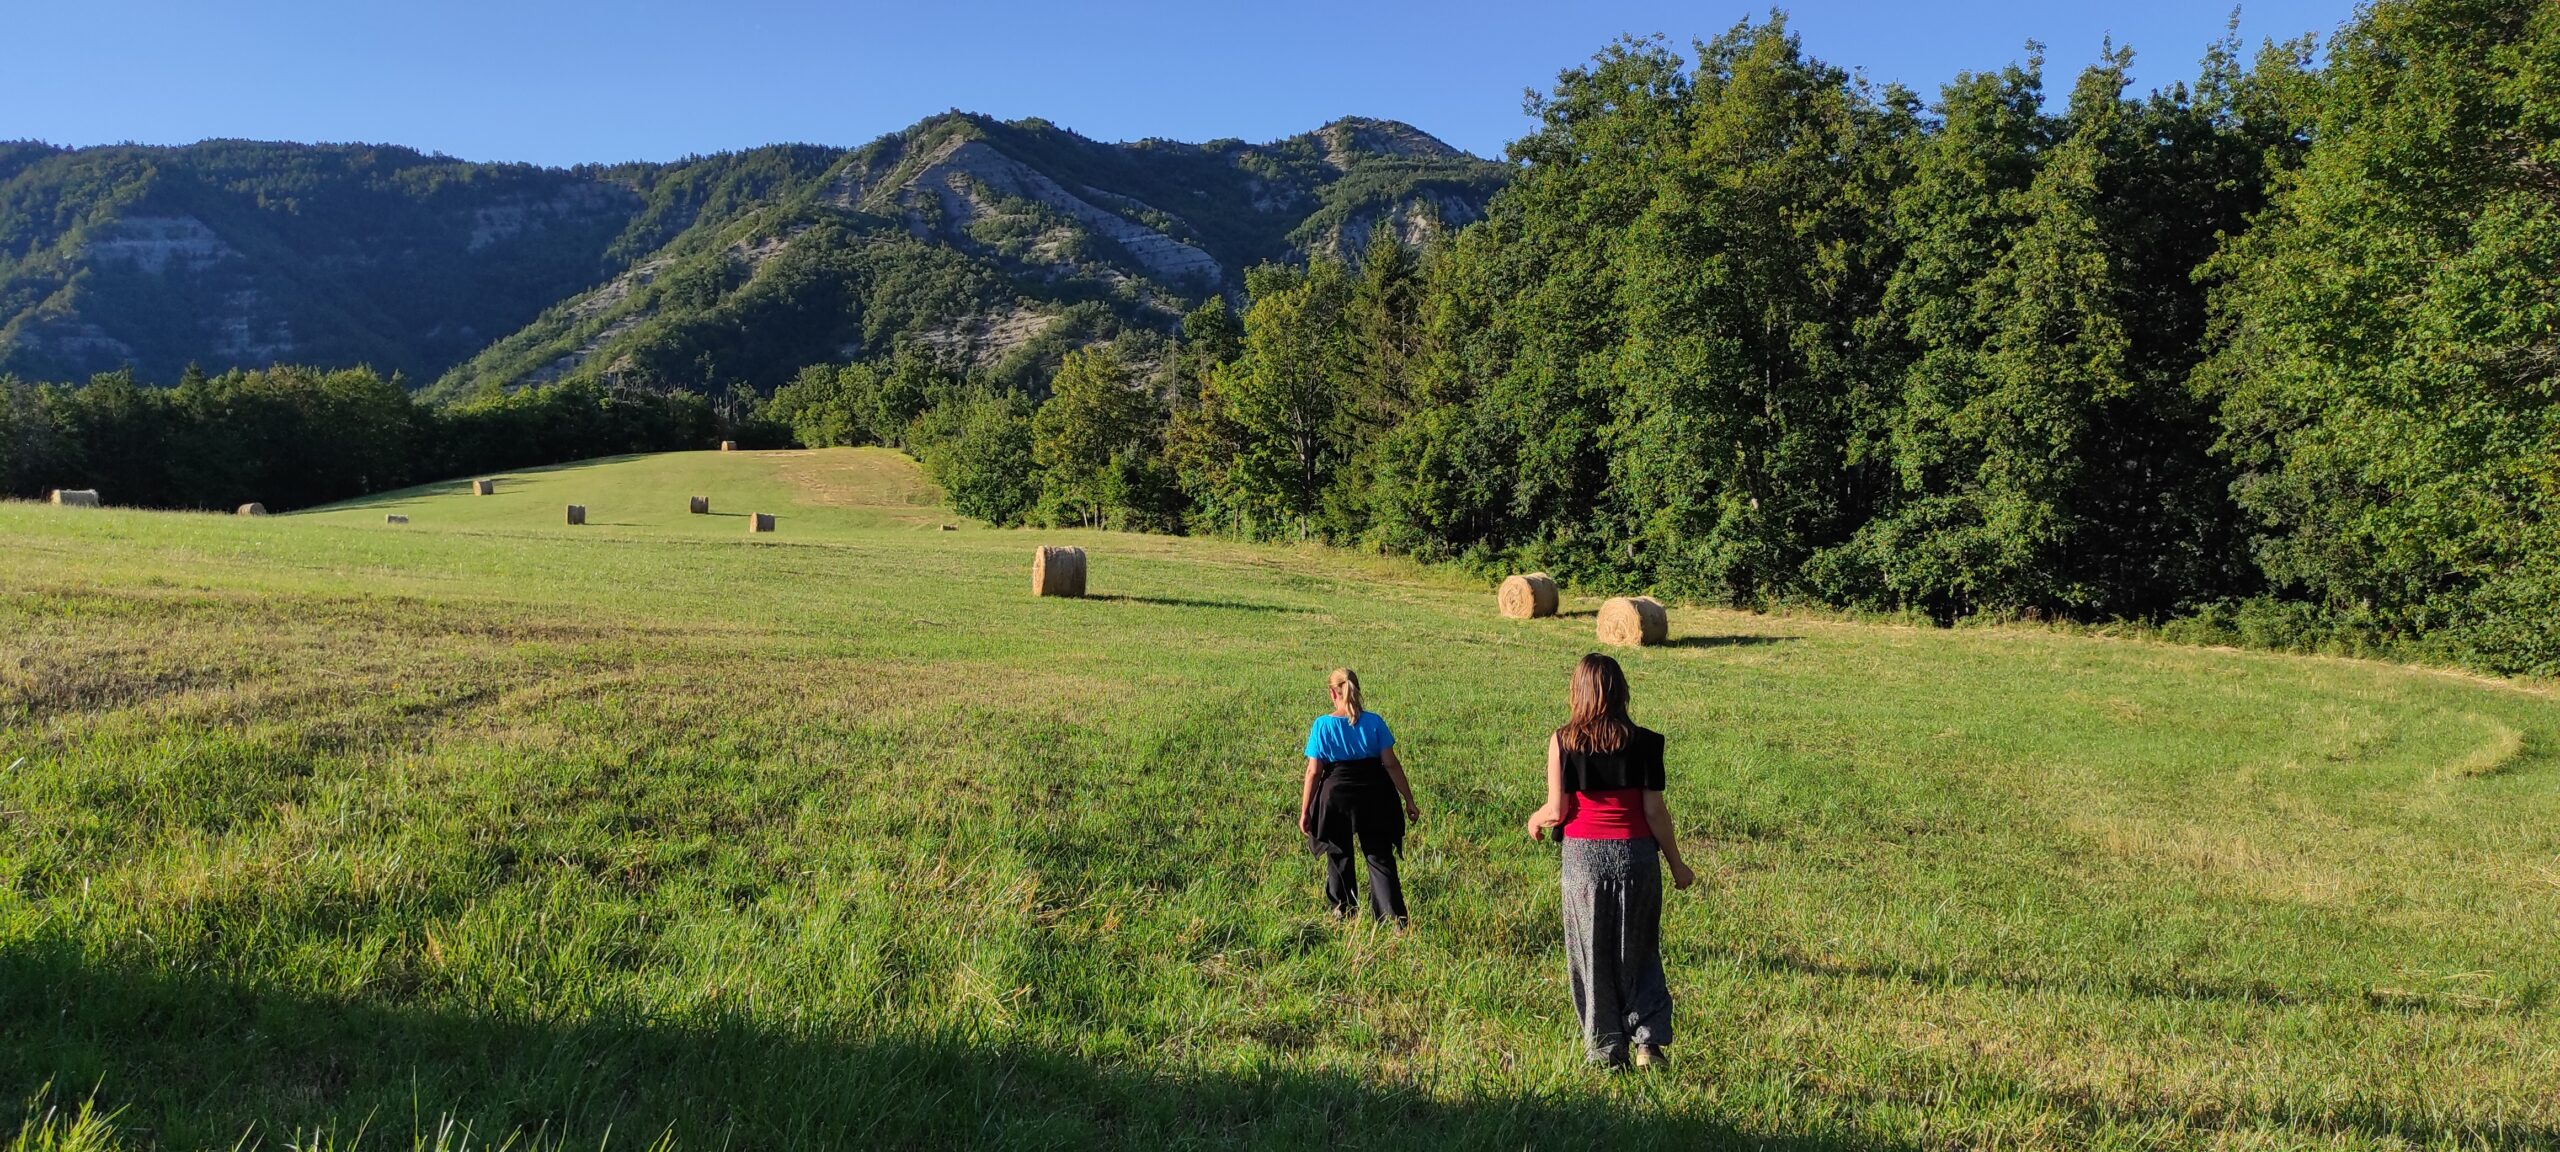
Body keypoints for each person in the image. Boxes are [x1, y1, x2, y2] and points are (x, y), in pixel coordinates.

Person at [1524, 652, 1695, 1069]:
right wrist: (1676, 864)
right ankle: (1648, 1043)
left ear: (1577, 693)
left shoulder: (1562, 741)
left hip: (1583, 860)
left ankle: (1606, 1050)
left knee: (1591, 954)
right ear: (1621, 691)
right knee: (1639, 949)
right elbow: (1655, 813)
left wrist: (1535, 818)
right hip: (1637, 856)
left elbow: (1557, 809)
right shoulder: (1648, 743)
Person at [1299, 668, 1421, 925]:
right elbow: (1391, 764)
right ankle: (1395, 920)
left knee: (1339, 853)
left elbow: (1313, 771)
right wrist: (1409, 800)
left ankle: (1343, 911)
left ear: (1333, 693)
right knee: (1379, 857)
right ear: (1357, 690)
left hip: (1335, 797)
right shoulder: (1374, 722)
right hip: (1375, 795)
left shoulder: (1322, 725)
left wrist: (1305, 810)